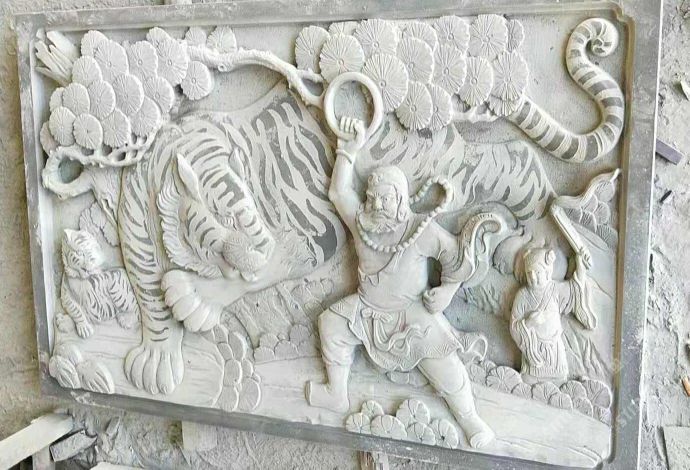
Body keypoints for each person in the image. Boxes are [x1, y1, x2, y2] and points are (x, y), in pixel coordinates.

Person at [305, 117, 494, 449]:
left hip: (411, 315)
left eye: (386, 199)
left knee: (444, 365)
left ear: (401, 200)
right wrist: (347, 151)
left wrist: (447, 291)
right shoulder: (362, 224)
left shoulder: (421, 230)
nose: (378, 205)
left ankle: (470, 419)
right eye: (373, 198)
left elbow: (457, 260)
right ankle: (336, 394)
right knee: (330, 324)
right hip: (366, 308)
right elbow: (339, 192)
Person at [509, 244, 597, 385]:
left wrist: (580, 266)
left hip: (555, 353)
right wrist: (529, 323)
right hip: (533, 354)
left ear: (547, 272)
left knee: (559, 386)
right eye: (529, 273)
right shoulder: (522, 295)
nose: (533, 277)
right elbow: (514, 326)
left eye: (537, 272)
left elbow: (575, 289)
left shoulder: (555, 290)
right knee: (528, 385)